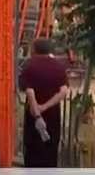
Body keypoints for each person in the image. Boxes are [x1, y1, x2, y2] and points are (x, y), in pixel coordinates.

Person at [19, 38, 69, 168]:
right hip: (53, 118)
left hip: (33, 120)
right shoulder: (59, 68)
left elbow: (30, 93)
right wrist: (45, 107)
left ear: (34, 50)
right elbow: (63, 92)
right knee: (50, 154)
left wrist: (37, 112)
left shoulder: (29, 67)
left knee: (32, 154)